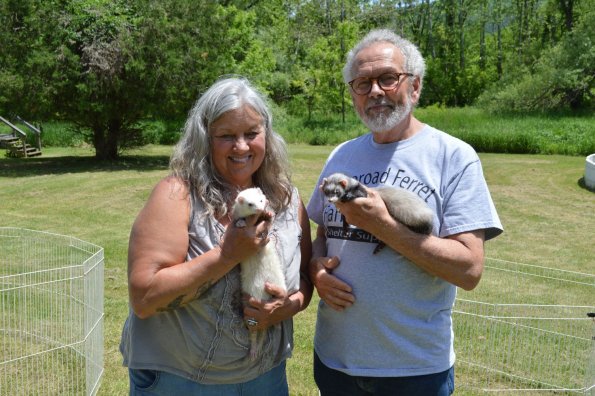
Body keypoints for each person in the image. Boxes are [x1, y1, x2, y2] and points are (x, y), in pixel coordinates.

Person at [306, 29, 503, 395]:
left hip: (413, 372)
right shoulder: (341, 154)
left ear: (414, 87)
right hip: (335, 362)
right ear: (353, 94)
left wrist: (382, 224)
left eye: (387, 78)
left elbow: (469, 269)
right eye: (362, 83)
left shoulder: (453, 157)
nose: (375, 91)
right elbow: (322, 235)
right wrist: (317, 269)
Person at [120, 76, 313, 395]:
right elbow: (144, 299)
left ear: (267, 133)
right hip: (182, 381)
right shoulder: (178, 196)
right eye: (226, 136)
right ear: (204, 139)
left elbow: (305, 279)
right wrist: (226, 255)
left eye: (251, 133)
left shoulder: (286, 199)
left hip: (266, 378)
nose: (241, 146)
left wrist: (289, 306)